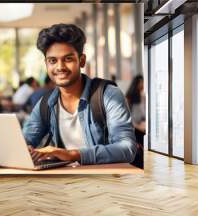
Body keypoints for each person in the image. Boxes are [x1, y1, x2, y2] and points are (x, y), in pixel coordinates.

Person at [23, 23, 136, 165]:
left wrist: (73, 155)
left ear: (81, 61)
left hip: (106, 180)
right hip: (65, 182)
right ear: (46, 63)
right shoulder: (46, 103)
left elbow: (127, 149)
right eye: (53, 61)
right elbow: (25, 140)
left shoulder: (108, 95)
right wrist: (24, 149)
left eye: (68, 59)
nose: (60, 67)